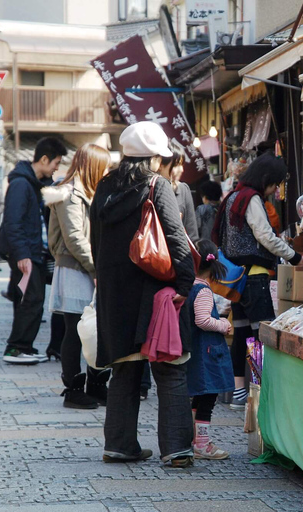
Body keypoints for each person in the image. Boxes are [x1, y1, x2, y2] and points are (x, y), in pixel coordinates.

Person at [90, 121, 196, 467]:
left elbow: (96, 244)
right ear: (153, 158)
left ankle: (119, 445)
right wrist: (184, 285)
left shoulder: (104, 186)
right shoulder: (156, 185)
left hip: (113, 293)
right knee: (170, 366)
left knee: (124, 368)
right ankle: (177, 448)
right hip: (155, 291)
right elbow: (177, 240)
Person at [212, 151, 302, 410]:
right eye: (274, 184)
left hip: (237, 281)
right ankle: (260, 390)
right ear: (264, 179)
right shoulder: (251, 199)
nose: (274, 190)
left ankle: (241, 393)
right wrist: (294, 256)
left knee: (241, 334)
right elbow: (265, 235)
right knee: (261, 336)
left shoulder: (233, 196)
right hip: (253, 278)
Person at [43, 144, 112, 409]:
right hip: (75, 268)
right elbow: (74, 238)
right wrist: (97, 269)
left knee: (96, 328)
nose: (106, 172)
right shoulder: (67, 193)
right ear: (92, 166)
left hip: (90, 268)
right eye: (103, 166)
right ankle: (73, 389)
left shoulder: (89, 192)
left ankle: (96, 385)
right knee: (75, 330)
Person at [138, 144, 199, 401]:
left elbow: (191, 234)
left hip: (176, 274)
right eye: (176, 164)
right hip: (149, 267)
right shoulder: (147, 187)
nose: (180, 169)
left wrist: (191, 274)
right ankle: (143, 383)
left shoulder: (183, 191)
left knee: (172, 330)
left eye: (181, 164)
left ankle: (168, 374)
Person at [0, 137, 67, 365]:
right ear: (44, 159)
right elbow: (13, 222)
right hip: (27, 254)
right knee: (31, 299)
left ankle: (22, 346)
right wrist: (23, 255)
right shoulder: (21, 184)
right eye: (56, 162)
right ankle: (17, 348)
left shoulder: (33, 183)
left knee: (29, 299)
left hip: (33, 252)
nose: (57, 167)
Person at [187, 239, 233, 460]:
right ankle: (202, 444)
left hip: (197, 352)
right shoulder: (203, 290)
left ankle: (195, 439)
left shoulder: (188, 285)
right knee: (207, 399)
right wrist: (223, 325)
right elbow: (203, 320)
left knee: (198, 397)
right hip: (207, 354)